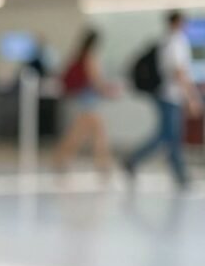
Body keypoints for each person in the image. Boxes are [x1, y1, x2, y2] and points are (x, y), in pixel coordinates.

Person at [125, 11, 204, 189]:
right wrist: (191, 97)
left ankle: (179, 175)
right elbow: (179, 72)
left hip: (164, 94)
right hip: (170, 96)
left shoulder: (165, 40)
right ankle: (135, 160)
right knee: (168, 135)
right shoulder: (176, 41)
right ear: (178, 22)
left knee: (171, 135)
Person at [53, 30, 119, 172]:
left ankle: (99, 162)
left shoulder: (81, 56)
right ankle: (101, 163)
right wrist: (107, 91)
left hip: (86, 98)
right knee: (89, 133)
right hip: (89, 100)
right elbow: (95, 81)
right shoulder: (90, 58)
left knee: (86, 132)